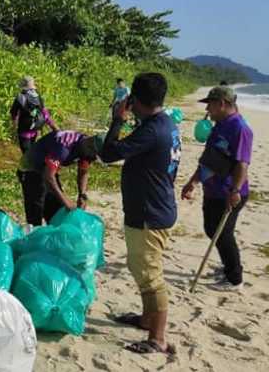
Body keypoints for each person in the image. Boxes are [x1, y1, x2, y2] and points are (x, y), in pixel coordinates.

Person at [99, 73, 180, 355]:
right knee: (140, 267)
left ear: (136, 99)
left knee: (149, 275)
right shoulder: (165, 123)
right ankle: (147, 319)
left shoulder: (152, 131)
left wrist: (118, 119)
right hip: (155, 207)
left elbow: (108, 153)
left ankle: (158, 338)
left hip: (150, 213)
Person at [182, 86, 253, 292]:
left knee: (223, 233)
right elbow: (209, 158)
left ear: (222, 104)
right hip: (212, 188)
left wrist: (235, 190)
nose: (208, 110)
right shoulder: (219, 125)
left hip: (229, 191)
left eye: (210, 105)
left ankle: (234, 278)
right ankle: (227, 267)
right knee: (212, 229)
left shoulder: (240, 128)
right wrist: (193, 181)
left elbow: (242, 164)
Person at [17, 131, 100, 226]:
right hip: (30, 169)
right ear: (89, 146)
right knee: (36, 210)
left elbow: (83, 171)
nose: (92, 159)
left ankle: (52, 232)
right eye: (93, 156)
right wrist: (66, 201)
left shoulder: (87, 149)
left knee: (56, 211)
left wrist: (82, 195)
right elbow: (48, 177)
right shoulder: (63, 146)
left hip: (47, 168)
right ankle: (33, 232)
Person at [10, 76, 58, 153]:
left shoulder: (20, 97)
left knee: (26, 154)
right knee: (32, 151)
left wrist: (14, 127)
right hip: (35, 130)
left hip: (24, 131)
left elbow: (13, 114)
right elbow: (45, 112)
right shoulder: (37, 96)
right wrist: (54, 127)